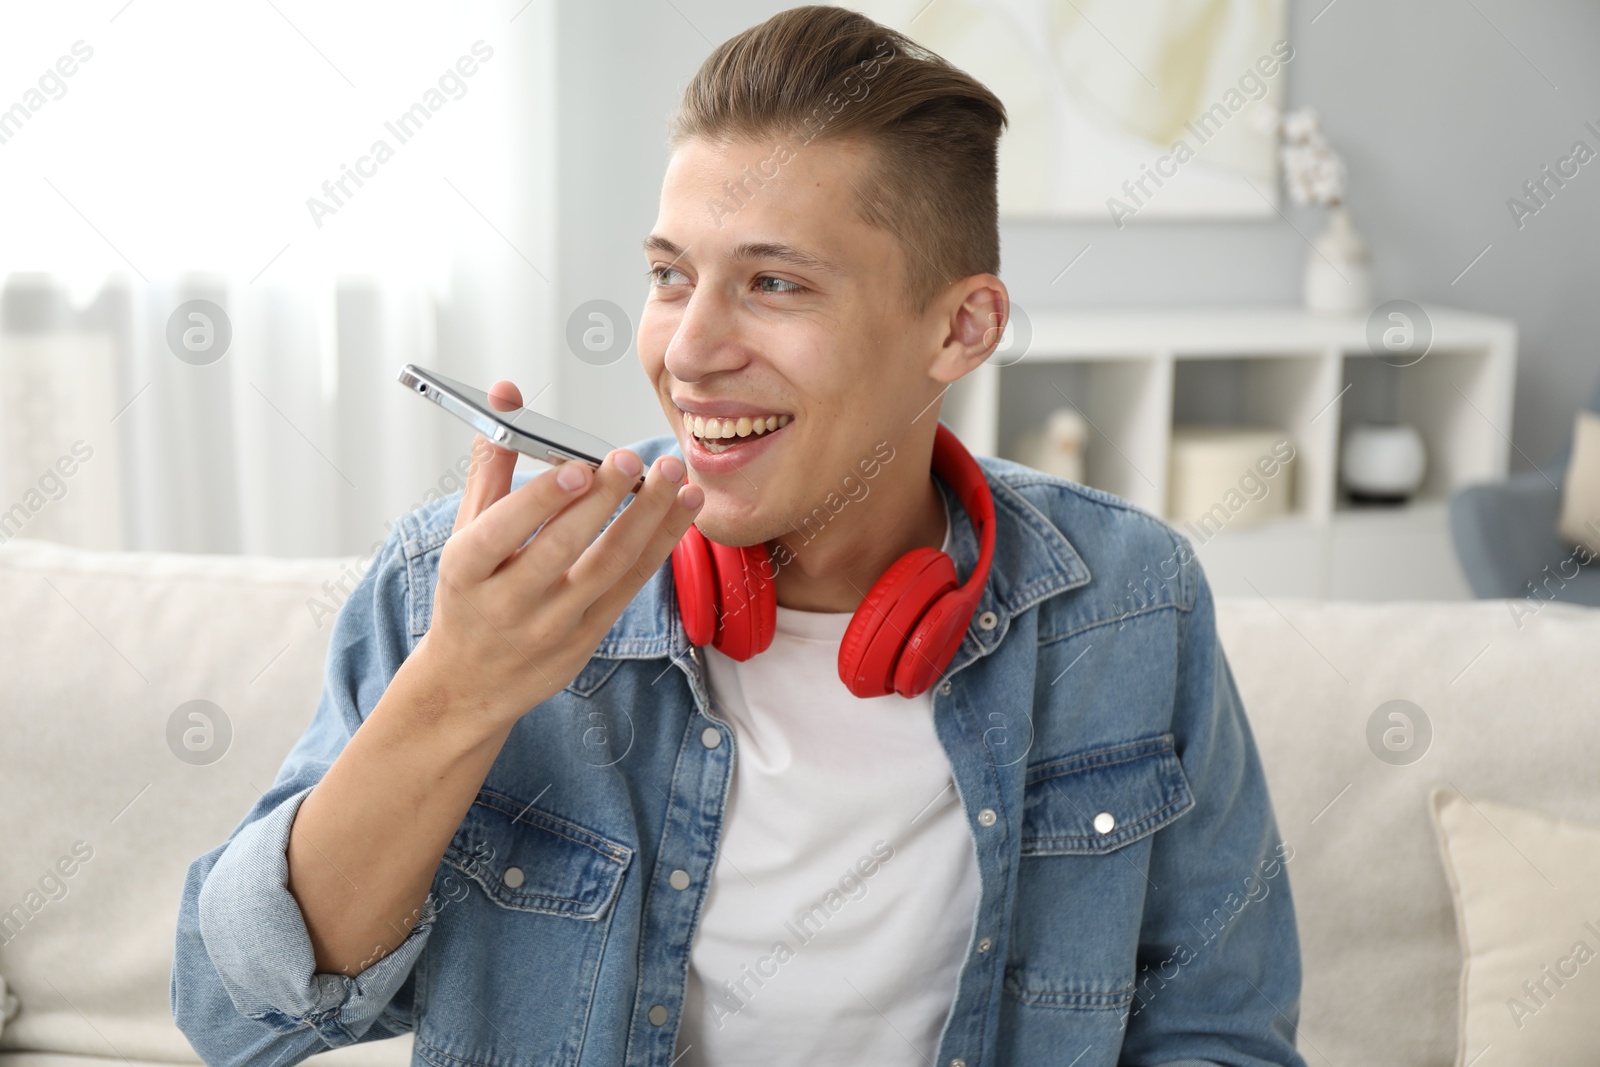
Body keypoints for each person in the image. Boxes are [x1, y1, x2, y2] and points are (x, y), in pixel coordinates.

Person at [171, 7, 1306, 1065]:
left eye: (772, 282)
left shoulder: (1130, 599)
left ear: (961, 327)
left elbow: (1218, 1028)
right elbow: (237, 1014)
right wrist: (457, 691)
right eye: (671, 276)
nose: (687, 349)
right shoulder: (469, 584)